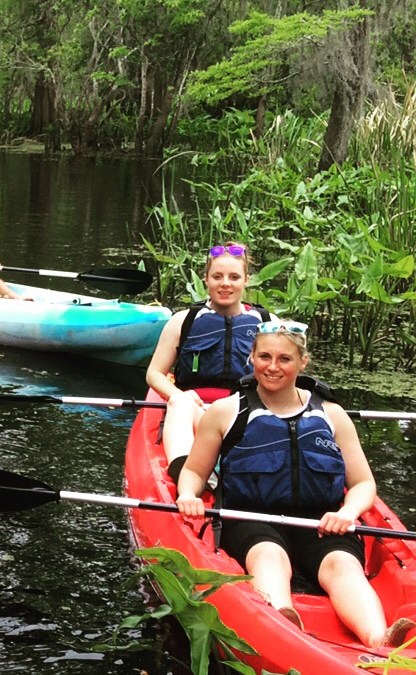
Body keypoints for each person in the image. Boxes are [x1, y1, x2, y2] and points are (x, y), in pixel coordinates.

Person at [175, 322, 416, 647]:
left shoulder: (331, 414)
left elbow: (362, 484)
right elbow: (194, 472)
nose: (272, 367)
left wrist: (347, 512)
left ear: (303, 362)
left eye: (284, 359)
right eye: (264, 357)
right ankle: (282, 619)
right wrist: (187, 494)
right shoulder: (225, 411)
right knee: (270, 556)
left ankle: (378, 639)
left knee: (342, 565)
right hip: (250, 519)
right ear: (252, 358)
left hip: (321, 521)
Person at [145, 242, 274, 482]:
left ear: (246, 280)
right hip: (195, 410)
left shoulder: (267, 324)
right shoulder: (183, 321)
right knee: (179, 404)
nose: (225, 283)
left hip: (243, 411)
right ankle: (184, 474)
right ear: (206, 279)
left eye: (234, 277)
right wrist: (178, 395)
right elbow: (154, 374)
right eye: (217, 276)